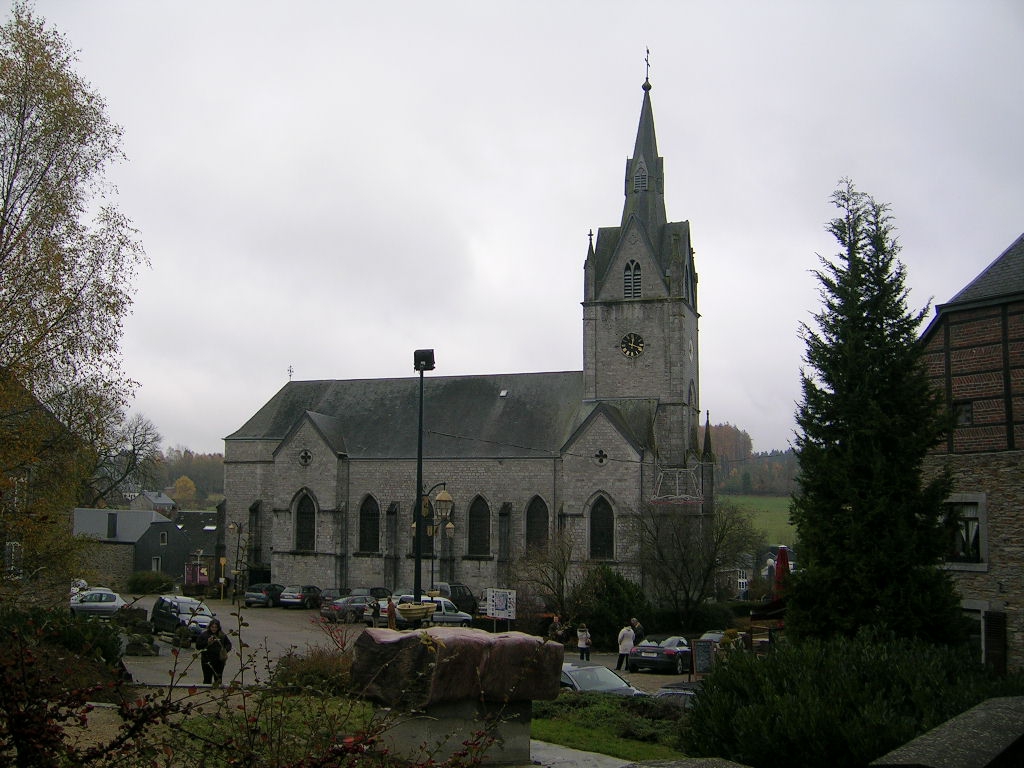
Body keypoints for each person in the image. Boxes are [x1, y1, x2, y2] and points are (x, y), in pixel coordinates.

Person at [196, 619, 232, 686]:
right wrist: (207, 642)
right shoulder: (204, 635)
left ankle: (218, 693)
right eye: (212, 627)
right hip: (206, 660)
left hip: (219, 661)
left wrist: (224, 650)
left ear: (218, 627)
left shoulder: (222, 635)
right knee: (207, 679)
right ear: (210, 627)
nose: (214, 629)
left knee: (218, 679)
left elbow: (229, 644)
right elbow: (198, 646)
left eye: (216, 627)